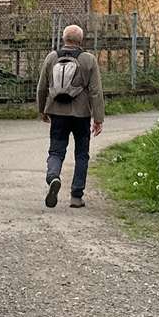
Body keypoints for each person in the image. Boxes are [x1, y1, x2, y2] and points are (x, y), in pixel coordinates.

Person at [37, 23, 104, 208]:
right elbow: (96, 91)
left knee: (56, 151)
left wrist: (42, 109)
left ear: (64, 38)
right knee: (82, 154)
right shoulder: (88, 60)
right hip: (81, 114)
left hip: (57, 112)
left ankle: (53, 177)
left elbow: (42, 87)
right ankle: (76, 196)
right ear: (81, 40)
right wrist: (98, 118)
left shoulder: (52, 57)